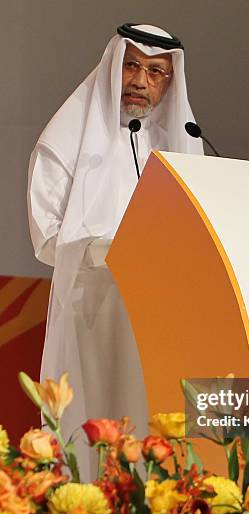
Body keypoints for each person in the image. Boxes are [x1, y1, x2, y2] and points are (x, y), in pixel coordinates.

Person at [27, 24, 203, 480]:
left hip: (158, 323)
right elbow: (45, 236)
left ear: (171, 80)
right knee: (90, 437)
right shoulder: (66, 139)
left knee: (153, 437)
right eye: (131, 65)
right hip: (91, 314)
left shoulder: (181, 148)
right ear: (112, 66)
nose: (141, 80)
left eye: (156, 71)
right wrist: (110, 250)